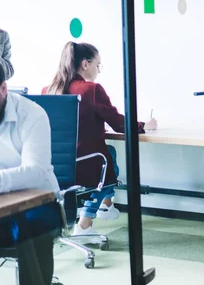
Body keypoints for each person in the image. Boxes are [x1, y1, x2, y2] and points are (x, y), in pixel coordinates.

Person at [0, 53, 60, 285]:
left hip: (37, 203)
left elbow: (35, 172)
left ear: (3, 89)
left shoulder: (32, 114)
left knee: (30, 229)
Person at [43, 41, 157, 239]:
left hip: (55, 165)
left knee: (109, 155)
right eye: (98, 65)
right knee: (108, 163)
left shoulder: (48, 90)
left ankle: (106, 206)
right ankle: (85, 224)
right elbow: (119, 124)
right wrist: (144, 125)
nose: (98, 71)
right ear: (85, 65)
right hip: (85, 164)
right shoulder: (91, 90)